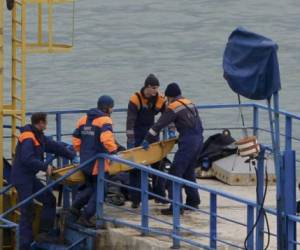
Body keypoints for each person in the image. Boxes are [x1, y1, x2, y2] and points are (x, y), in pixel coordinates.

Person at [11, 112, 76, 250]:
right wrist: (45, 166)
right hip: (22, 178)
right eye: (45, 122)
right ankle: (24, 246)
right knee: (27, 210)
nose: (46, 125)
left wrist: (72, 155)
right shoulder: (28, 136)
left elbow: (53, 146)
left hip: (29, 177)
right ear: (40, 123)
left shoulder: (38, 135)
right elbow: (27, 159)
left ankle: (44, 233)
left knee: (49, 199)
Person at [143, 82, 204, 215]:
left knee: (175, 173)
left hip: (188, 142)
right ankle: (193, 202)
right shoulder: (190, 102)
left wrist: (147, 139)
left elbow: (159, 125)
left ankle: (176, 207)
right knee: (188, 172)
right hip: (199, 139)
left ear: (169, 96)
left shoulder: (173, 106)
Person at [70, 95, 119, 227]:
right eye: (111, 108)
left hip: (85, 161)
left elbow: (75, 138)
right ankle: (86, 217)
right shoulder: (105, 120)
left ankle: (75, 207)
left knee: (91, 187)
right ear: (107, 108)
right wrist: (114, 152)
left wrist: (82, 150)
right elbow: (106, 138)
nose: (112, 110)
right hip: (98, 163)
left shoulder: (83, 119)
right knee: (100, 191)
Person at [126, 73, 167, 208]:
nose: (156, 91)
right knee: (135, 169)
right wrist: (130, 141)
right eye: (154, 88)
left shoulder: (159, 99)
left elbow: (167, 115)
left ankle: (159, 196)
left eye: (157, 88)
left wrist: (171, 129)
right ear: (147, 87)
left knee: (158, 165)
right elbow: (130, 122)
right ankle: (135, 199)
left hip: (152, 134)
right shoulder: (135, 99)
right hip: (137, 135)